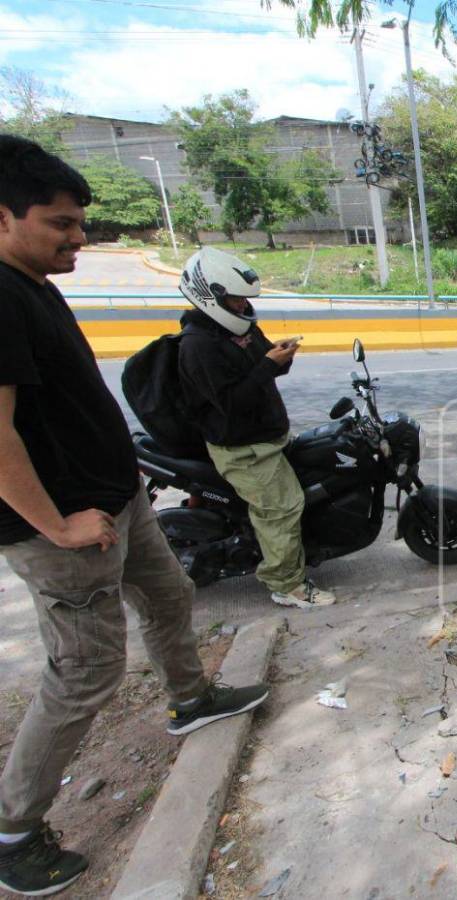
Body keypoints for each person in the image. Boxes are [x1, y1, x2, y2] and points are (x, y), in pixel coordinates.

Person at [0, 136, 270, 897]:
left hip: (118, 501)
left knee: (169, 596)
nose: (80, 237)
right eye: (60, 223)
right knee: (84, 671)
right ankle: (15, 831)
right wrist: (56, 525)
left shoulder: (32, 284)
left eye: (80, 222)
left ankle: (192, 699)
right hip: (64, 529)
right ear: (3, 217)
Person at [176, 247, 335, 611]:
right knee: (282, 508)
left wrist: (280, 358)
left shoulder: (241, 327)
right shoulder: (198, 346)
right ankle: (287, 584)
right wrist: (266, 365)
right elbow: (230, 403)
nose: (242, 306)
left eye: (244, 300)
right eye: (234, 300)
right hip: (243, 449)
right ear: (210, 296)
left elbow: (263, 372)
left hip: (266, 439)